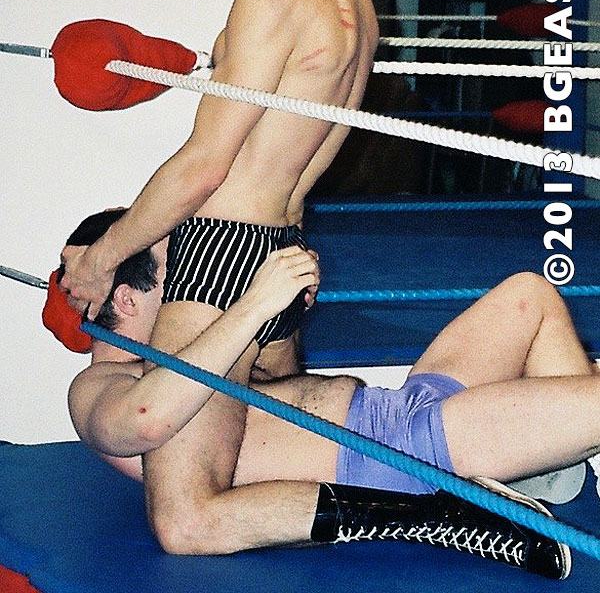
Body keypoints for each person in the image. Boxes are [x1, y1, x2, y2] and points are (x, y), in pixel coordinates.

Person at [59, 0, 378, 576]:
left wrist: (103, 257)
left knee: (186, 518)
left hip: (222, 255)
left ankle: (432, 517)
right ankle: (434, 491)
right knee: (262, 460)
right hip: (284, 248)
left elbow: (204, 166)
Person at [63, 209, 600, 580]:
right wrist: (251, 306)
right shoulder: (99, 386)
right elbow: (144, 417)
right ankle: (532, 458)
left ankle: (546, 464)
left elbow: (280, 383)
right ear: (127, 300)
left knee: (529, 295)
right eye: (180, 274)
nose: (195, 286)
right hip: (404, 454)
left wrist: (285, 316)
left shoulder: (200, 348)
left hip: (398, 407)